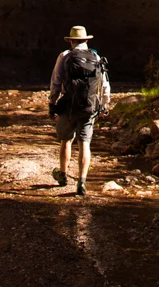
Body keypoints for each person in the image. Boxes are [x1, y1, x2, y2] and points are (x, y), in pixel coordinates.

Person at [48, 24, 110, 195]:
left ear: (72, 41)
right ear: (86, 40)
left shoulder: (65, 56)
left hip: (68, 105)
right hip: (89, 106)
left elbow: (56, 82)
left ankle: (63, 175)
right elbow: (105, 85)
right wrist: (105, 105)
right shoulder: (96, 57)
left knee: (66, 140)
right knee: (85, 143)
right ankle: (81, 182)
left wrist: (52, 104)